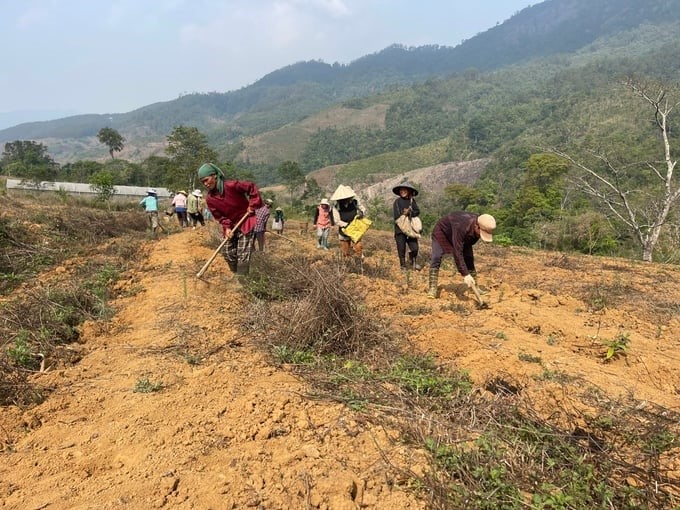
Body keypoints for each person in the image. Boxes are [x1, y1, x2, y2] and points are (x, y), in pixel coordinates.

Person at [197, 162, 264, 275]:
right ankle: (236, 273)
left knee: (243, 254)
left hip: (245, 221)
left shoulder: (232, 185)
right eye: (202, 182)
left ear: (214, 176)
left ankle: (243, 280)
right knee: (228, 252)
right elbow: (220, 217)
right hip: (231, 226)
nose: (205, 184)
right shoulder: (210, 198)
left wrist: (252, 205)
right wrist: (227, 227)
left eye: (206, 180)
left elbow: (251, 187)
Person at [428, 212, 496, 298]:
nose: (480, 236)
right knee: (436, 256)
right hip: (442, 232)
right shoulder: (461, 226)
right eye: (481, 232)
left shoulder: (478, 227)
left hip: (460, 236)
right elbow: (457, 252)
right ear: (477, 226)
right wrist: (465, 274)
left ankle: (474, 287)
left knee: (469, 258)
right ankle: (432, 288)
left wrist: (468, 270)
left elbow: (467, 248)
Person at [330, 184, 366, 259]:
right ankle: (347, 262)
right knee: (346, 249)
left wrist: (361, 214)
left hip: (355, 227)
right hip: (344, 229)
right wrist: (346, 224)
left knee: (358, 246)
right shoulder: (337, 206)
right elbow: (337, 220)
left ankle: (360, 260)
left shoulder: (354, 202)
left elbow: (362, 209)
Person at [392, 182, 422, 271]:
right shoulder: (397, 202)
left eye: (404, 190)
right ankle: (403, 266)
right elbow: (396, 216)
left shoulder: (412, 201)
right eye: (401, 190)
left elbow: (417, 211)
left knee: (415, 248)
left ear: (408, 191)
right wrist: (404, 213)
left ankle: (412, 261)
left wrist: (410, 212)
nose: (402, 192)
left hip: (411, 229)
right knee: (401, 248)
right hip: (400, 230)